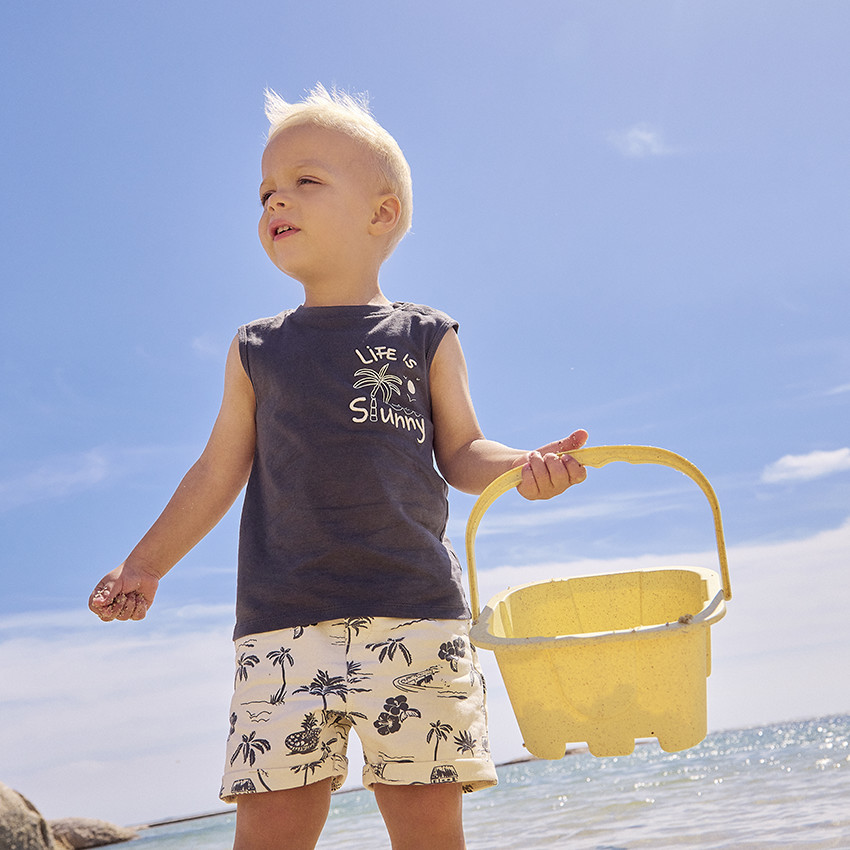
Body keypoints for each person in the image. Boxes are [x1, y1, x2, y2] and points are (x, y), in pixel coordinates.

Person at [89, 84, 588, 850]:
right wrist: (145, 565)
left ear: (381, 214)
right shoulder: (257, 347)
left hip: (415, 616)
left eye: (305, 181)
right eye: (265, 192)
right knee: (273, 827)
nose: (275, 202)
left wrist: (521, 465)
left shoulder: (425, 334)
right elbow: (217, 470)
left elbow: (461, 451)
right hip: (282, 627)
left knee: (427, 827)